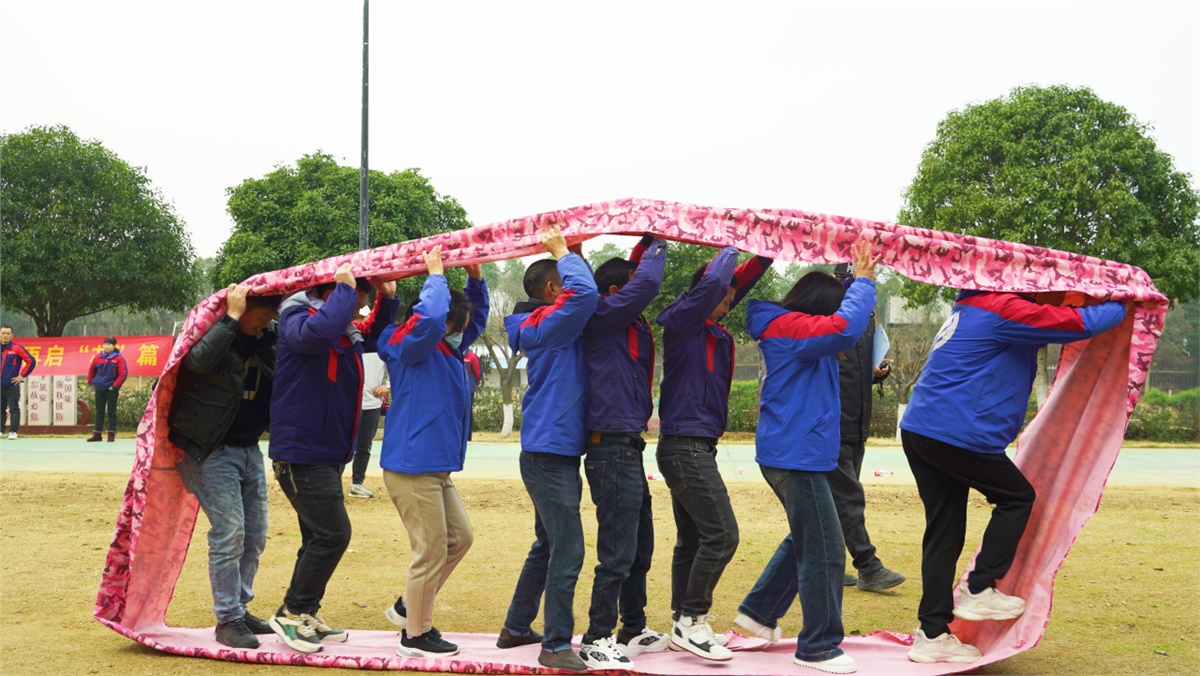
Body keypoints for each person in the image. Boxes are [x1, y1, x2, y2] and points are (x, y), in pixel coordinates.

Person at [899, 289, 1126, 664]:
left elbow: (1056, 318)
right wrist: (1123, 303)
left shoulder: (972, 306)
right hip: (953, 430)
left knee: (944, 529)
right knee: (1016, 496)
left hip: (923, 428)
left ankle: (932, 634)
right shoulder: (1004, 307)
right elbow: (1078, 323)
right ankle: (980, 587)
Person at [735, 242, 881, 675]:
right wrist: (867, 280)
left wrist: (856, 279)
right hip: (794, 454)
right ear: (818, 309)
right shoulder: (793, 331)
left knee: (808, 536)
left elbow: (842, 325)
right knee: (825, 550)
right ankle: (817, 646)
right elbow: (844, 328)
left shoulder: (793, 329)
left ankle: (759, 613)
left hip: (802, 452)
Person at [267, 262, 399, 654]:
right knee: (333, 534)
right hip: (301, 450)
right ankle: (291, 614)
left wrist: (386, 298)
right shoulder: (297, 316)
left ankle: (304, 611)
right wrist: (345, 290)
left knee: (316, 536)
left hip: (324, 450)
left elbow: (374, 334)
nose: (357, 312)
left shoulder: (338, 325)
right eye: (354, 301)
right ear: (332, 294)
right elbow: (313, 337)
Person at [655, 245, 772, 660]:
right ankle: (692, 620)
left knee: (692, 541)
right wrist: (730, 243)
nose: (728, 304)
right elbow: (717, 283)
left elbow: (741, 280)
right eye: (722, 296)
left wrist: (767, 249)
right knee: (723, 535)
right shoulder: (685, 322)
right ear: (705, 293)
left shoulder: (712, 327)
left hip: (697, 445)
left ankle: (680, 623)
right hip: (683, 447)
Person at [376, 246, 489, 658]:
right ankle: (416, 636)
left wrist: (475, 281)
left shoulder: (448, 349)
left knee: (460, 539)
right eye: (450, 325)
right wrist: (436, 275)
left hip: (436, 468)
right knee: (431, 551)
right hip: (412, 466)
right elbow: (427, 322)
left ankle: (409, 607)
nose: (459, 332)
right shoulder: (410, 344)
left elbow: (473, 319)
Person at [497, 224, 597, 674]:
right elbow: (585, 296)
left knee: (548, 542)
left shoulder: (546, 322)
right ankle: (555, 645)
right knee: (568, 548)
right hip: (547, 453)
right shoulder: (551, 322)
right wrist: (561, 248)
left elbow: (582, 292)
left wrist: (573, 251)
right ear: (554, 288)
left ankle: (517, 627)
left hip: (551, 449)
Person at [169, 285, 281, 648]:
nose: (265, 323)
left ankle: (240, 607)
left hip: (249, 450)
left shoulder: (266, 342)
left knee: (255, 535)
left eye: (269, 318)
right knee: (229, 532)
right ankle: (228, 619)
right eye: (259, 316)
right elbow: (197, 362)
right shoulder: (215, 338)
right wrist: (231, 318)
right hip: (210, 450)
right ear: (239, 310)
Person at [577, 235, 669, 670]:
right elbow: (645, 283)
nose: (640, 298)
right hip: (609, 448)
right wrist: (662, 241)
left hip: (629, 447)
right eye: (628, 289)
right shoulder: (600, 313)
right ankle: (597, 638)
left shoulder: (626, 321)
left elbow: (636, 279)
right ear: (615, 294)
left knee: (640, 547)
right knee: (616, 551)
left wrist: (645, 240)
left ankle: (633, 626)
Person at [829, 262, 905, 592]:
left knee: (832, 502)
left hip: (857, 420)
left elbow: (855, 366)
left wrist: (877, 373)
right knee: (847, 498)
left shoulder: (867, 315)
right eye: (849, 278)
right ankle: (868, 566)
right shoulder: (831, 310)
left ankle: (826, 566)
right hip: (833, 420)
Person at [347, 351, 388, 499]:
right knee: (339, 444)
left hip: (372, 404)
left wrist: (388, 386)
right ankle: (332, 484)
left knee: (364, 446)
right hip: (348, 402)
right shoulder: (350, 340)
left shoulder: (381, 343)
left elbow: (397, 363)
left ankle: (357, 484)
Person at [87, 337, 128, 442]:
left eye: (109, 344)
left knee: (111, 412)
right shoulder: (97, 357)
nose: (106, 346)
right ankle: (97, 434)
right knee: (99, 412)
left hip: (111, 390)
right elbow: (91, 370)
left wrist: (114, 386)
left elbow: (123, 374)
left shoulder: (119, 358)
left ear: (114, 346)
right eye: (105, 344)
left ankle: (111, 434)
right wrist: (90, 382)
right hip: (99, 388)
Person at [0, 325, 36, 440]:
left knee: (14, 408)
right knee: (0, 408)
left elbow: (31, 361)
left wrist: (21, 375)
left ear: (12, 335)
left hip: (12, 384)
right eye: (3, 333)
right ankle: (0, 430)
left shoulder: (17, 348)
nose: (5, 335)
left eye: (7, 333)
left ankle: (13, 431)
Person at [463, 351, 482, 441]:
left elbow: (478, 373)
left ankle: (468, 438)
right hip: (456, 388)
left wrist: (471, 383)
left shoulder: (472, 356)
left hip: (469, 389)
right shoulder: (453, 352)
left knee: (468, 413)